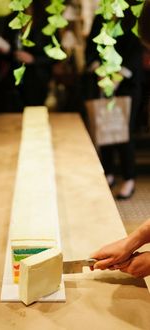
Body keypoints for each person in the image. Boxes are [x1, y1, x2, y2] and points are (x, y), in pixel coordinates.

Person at [90, 0, 150, 280]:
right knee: (108, 135)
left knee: (123, 136)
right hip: (105, 84)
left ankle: (125, 175)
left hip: (125, 87)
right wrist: (134, 240)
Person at [84, 1, 143, 200]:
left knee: (124, 131)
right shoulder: (101, 15)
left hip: (127, 84)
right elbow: (90, 49)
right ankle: (107, 172)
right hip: (101, 81)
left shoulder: (134, 15)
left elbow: (136, 52)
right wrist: (100, 73)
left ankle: (129, 178)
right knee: (104, 128)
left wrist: (117, 77)